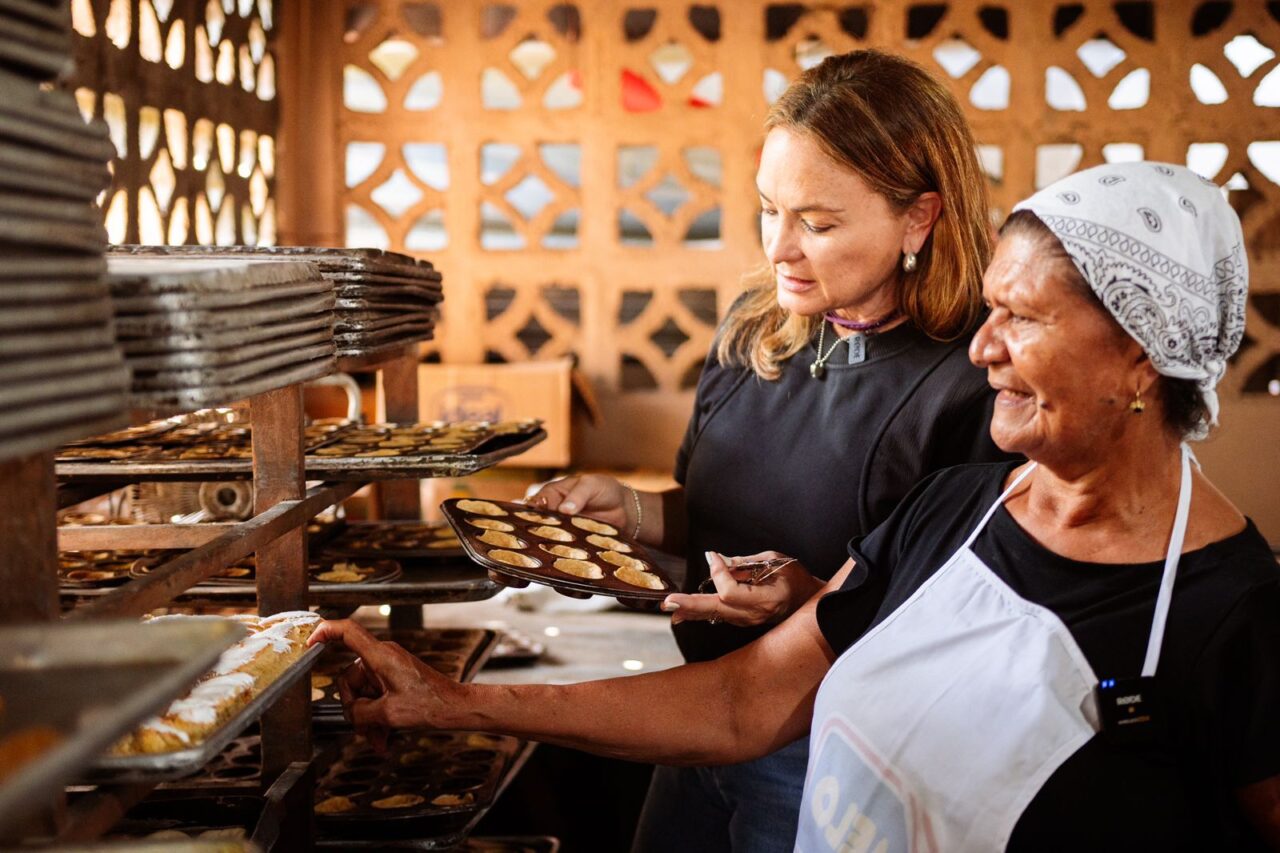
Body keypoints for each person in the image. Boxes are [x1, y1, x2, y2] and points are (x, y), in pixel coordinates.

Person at [312, 161, 1280, 851]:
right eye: (988, 308)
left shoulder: (1235, 615)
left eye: (1020, 317)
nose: (981, 347)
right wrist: (454, 701)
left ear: (1139, 354)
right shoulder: (953, 511)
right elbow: (742, 704)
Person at [520, 49, 1009, 851]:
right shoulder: (757, 331)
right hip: (697, 727)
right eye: (767, 209)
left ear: (919, 218)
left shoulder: (973, 384)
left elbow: (969, 620)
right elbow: (712, 513)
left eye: (816, 224)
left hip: (838, 750)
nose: (780, 247)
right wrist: (638, 511)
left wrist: (812, 600)